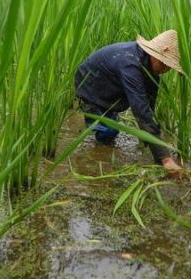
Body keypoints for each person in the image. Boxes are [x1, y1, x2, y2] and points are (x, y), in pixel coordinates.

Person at [74, 30, 184, 172]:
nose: (166, 69)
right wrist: (165, 158)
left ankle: (104, 135)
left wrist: (150, 141)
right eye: (165, 64)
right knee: (109, 131)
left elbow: (149, 108)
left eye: (169, 66)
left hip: (108, 88)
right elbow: (140, 110)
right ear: (155, 55)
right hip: (89, 85)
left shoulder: (152, 73)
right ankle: (99, 162)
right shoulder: (130, 65)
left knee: (111, 123)